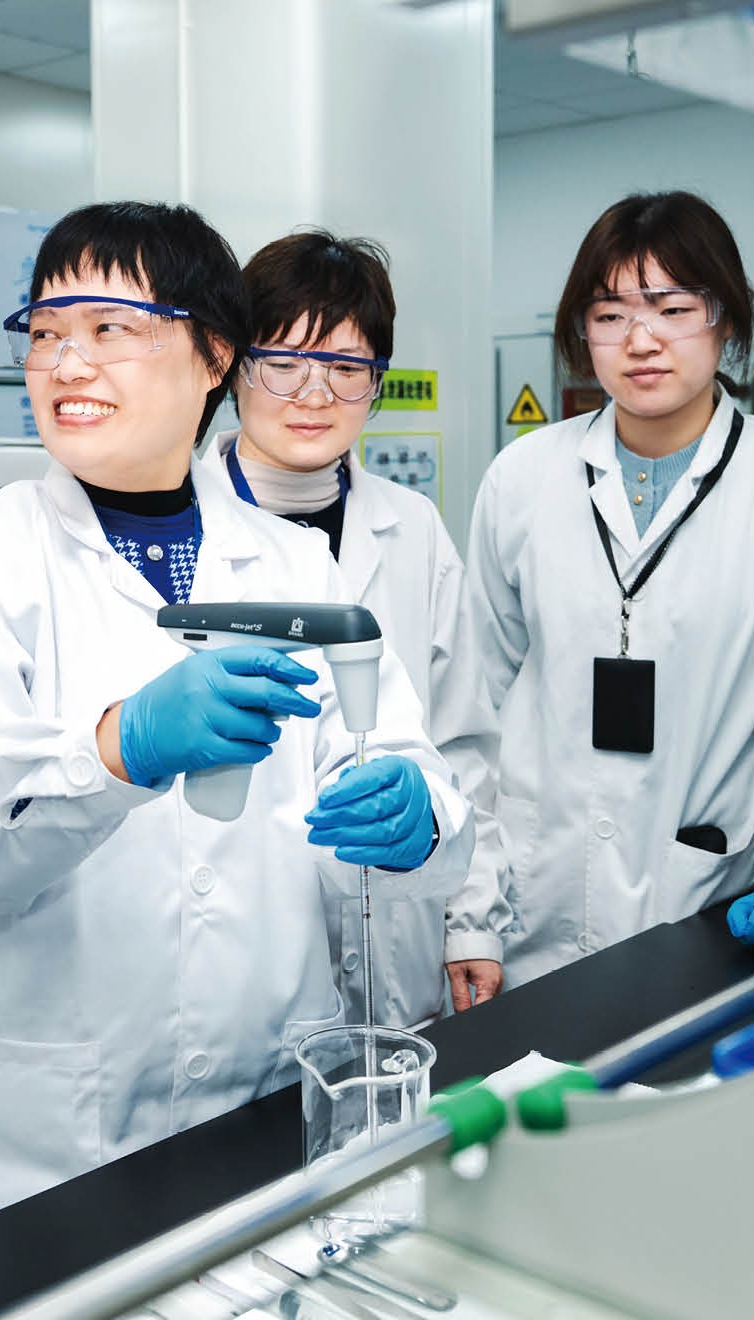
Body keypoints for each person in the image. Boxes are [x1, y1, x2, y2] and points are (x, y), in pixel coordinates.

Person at [0, 201, 476, 1220]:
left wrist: (418, 818)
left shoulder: (295, 562)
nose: (67, 363)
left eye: (109, 329)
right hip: (52, 1144)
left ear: (213, 355)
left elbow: (405, 772)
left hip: (266, 1103)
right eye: (45, 333)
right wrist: (117, 749)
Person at [467, 190, 754, 989]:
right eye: (609, 315)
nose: (641, 339)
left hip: (706, 904)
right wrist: (469, 913)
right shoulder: (522, 477)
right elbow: (473, 709)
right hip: (533, 906)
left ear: (726, 320)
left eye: (673, 309)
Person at [201, 230, 504, 1020]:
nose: (315, 394)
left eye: (345, 368)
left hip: (401, 934)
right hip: (241, 949)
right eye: (284, 361)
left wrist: (471, 921)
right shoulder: (187, 531)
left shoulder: (413, 527)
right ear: (233, 367)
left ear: (376, 383)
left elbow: (464, 743)